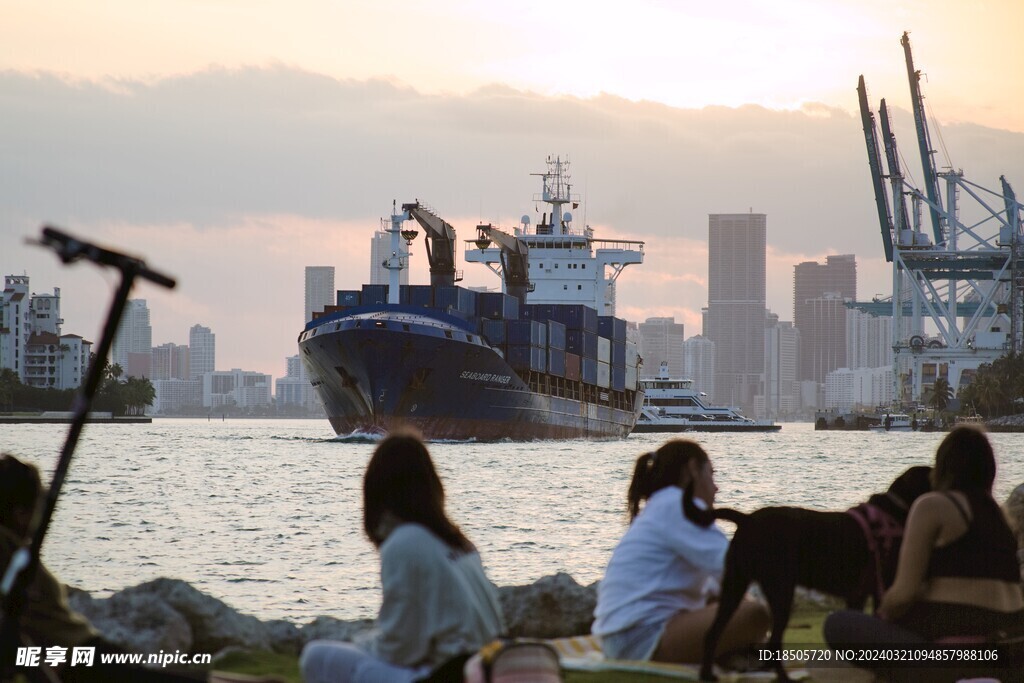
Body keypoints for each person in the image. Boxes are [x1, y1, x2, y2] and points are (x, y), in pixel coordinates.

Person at [0, 453, 243, 683]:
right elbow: (16, 640)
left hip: (89, 656)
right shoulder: (6, 548)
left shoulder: (17, 552)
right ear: (21, 513)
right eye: (37, 506)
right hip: (81, 661)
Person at [300, 432, 505, 683]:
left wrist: (359, 642)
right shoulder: (460, 542)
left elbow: (400, 648)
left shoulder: (405, 542)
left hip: (443, 674)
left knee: (316, 657)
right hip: (481, 669)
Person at [824, 427, 1024, 670]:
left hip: (955, 657)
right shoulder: (1001, 519)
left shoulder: (933, 505)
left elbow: (902, 596)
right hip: (1008, 651)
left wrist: (883, 613)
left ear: (942, 468)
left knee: (839, 624)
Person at [591, 439, 769, 664]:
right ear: (693, 469)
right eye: (711, 475)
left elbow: (722, 583)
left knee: (730, 600)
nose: (716, 488)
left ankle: (739, 656)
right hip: (639, 639)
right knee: (756, 614)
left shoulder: (663, 506)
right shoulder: (678, 505)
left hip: (624, 638)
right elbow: (735, 566)